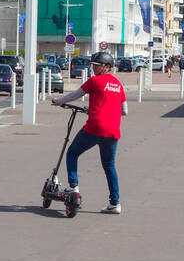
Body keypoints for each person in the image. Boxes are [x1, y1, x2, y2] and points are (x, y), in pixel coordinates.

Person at [50, 50, 128, 213]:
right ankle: (115, 203)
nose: (93, 68)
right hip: (113, 131)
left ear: (107, 67)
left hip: (95, 127)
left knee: (72, 153)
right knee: (109, 166)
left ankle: (73, 186)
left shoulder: (95, 81)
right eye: (93, 65)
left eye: (97, 66)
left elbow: (75, 95)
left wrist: (58, 101)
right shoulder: (118, 85)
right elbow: (124, 111)